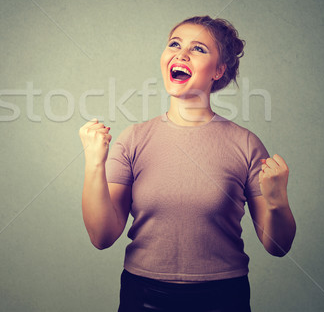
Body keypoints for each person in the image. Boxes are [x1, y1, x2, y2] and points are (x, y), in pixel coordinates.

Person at [79, 16, 296, 312]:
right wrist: (94, 164)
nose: (181, 54)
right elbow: (101, 238)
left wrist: (277, 201)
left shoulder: (246, 144)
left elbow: (279, 247)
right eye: (174, 44)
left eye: (198, 49)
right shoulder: (133, 139)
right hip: (143, 296)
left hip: (223, 298)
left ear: (219, 70)